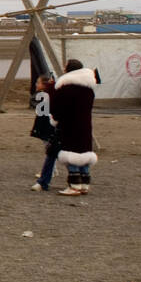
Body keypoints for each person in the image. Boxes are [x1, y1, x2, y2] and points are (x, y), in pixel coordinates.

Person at [52, 60, 99, 195]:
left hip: (69, 125)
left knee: (71, 153)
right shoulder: (89, 89)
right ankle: (84, 184)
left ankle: (74, 185)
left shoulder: (66, 88)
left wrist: (54, 119)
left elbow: (58, 108)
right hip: (85, 125)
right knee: (83, 153)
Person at [29, 75, 60, 192]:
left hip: (48, 127)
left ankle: (51, 171)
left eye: (38, 82)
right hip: (46, 126)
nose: (36, 85)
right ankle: (52, 170)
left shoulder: (45, 95)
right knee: (49, 148)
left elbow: (45, 114)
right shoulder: (45, 95)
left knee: (50, 148)